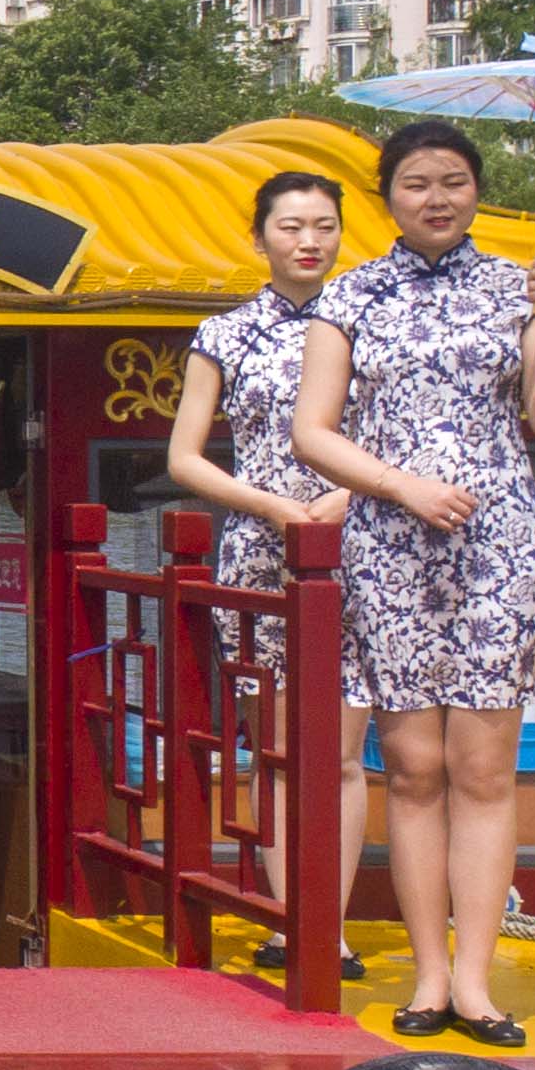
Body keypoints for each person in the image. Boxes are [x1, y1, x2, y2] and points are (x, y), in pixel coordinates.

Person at [291, 119, 535, 1048]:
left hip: (498, 543)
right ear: (389, 195)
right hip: (391, 539)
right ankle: (426, 976)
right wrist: (401, 486)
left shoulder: (517, 289)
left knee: (485, 767)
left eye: (455, 181)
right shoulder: (350, 295)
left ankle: (476, 981)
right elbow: (315, 431)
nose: (437, 197)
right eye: (418, 181)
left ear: (477, 191)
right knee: (415, 769)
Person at [164, 166, 352, 969]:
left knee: (342, 749)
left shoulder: (364, 327)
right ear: (260, 237)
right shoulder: (225, 333)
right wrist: (272, 505)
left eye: (323, 226)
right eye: (291, 226)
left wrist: (349, 497)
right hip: (259, 549)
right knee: (276, 747)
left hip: (360, 546)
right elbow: (184, 456)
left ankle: (330, 927)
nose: (309, 241)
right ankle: (288, 915)